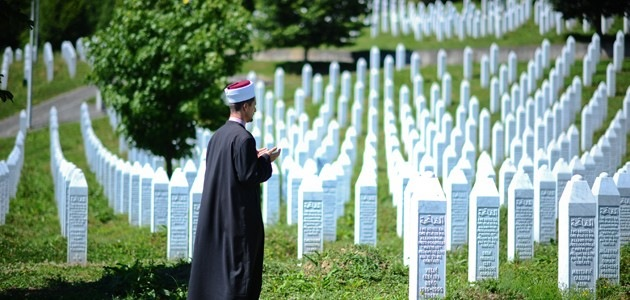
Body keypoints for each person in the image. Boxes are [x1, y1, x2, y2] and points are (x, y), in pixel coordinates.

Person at [188, 79, 280, 299]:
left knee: (218, 274)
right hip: (238, 221)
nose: (256, 109)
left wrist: (253, 157)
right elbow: (249, 176)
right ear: (246, 106)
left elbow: (233, 169)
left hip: (218, 217)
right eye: (254, 104)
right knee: (239, 276)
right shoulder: (243, 138)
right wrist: (267, 159)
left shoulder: (217, 136)